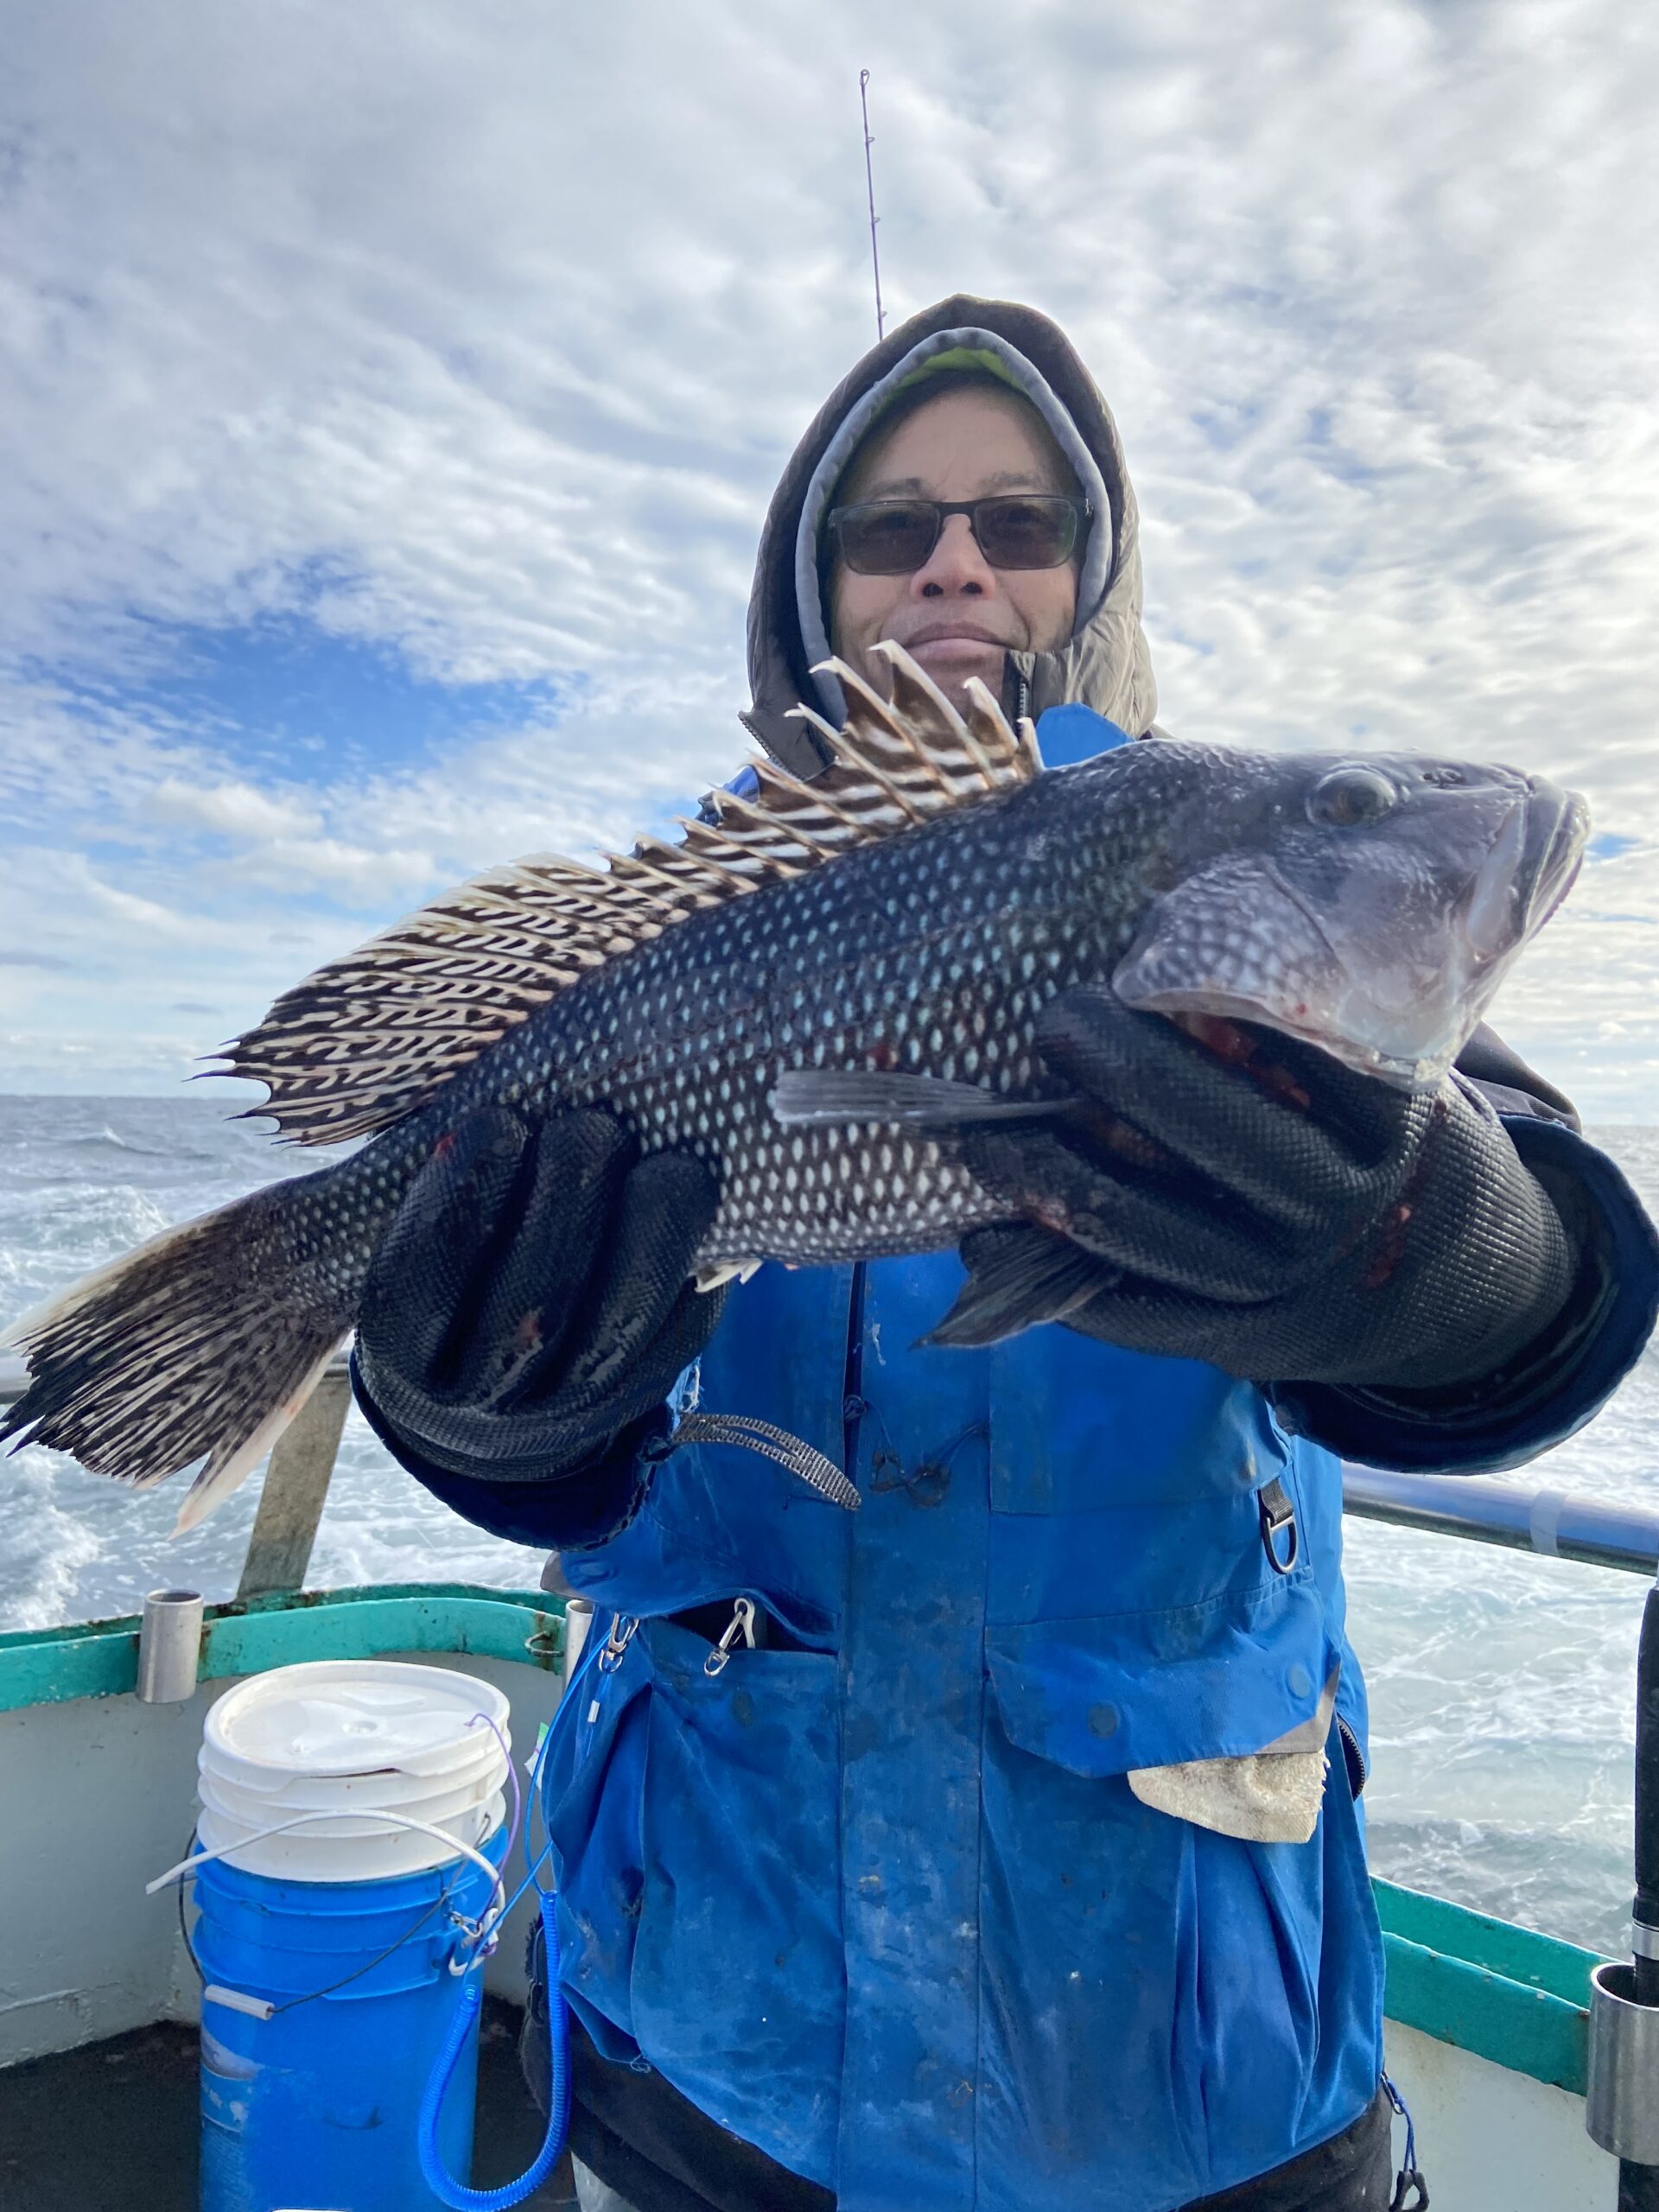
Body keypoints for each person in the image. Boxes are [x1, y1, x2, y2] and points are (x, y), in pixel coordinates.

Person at [352, 297, 1659, 2212]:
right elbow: (577, 1483)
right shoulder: (672, 926)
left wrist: (1443, 1257)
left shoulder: (1209, 866)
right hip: (712, 2037)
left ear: (1092, 573)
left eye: (1020, 519)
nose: (956, 557)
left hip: (1193, 2075)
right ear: (814, 590)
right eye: (890, 526)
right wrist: (490, 1414)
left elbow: (1543, 1252)